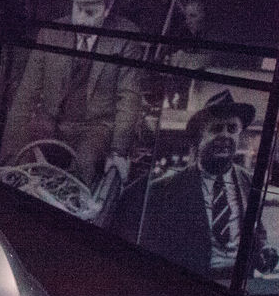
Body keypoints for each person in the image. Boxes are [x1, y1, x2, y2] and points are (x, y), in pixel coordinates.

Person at [0, 0, 143, 186]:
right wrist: (8, 152)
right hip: (51, 121)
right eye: (78, 9)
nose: (81, 19)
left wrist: (118, 152)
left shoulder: (126, 39)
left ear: (108, 7)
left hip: (95, 127)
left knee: (84, 167)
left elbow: (129, 98)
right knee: (21, 165)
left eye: (90, 12)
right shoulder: (51, 33)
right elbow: (27, 93)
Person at [114, 89, 276, 281]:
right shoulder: (164, 189)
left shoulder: (248, 181)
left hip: (237, 283)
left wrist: (264, 251)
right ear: (199, 137)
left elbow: (257, 232)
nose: (225, 135)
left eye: (232, 129)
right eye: (216, 129)